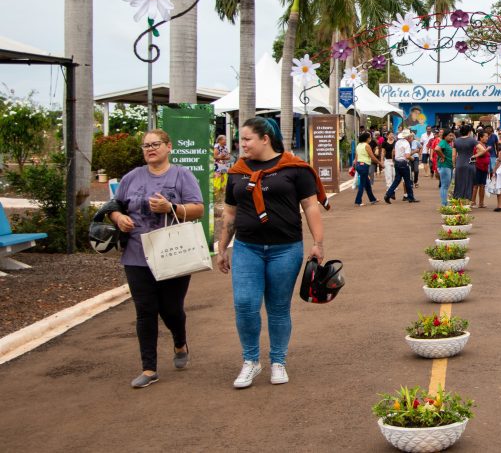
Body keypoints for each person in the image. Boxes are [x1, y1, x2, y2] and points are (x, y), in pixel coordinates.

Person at [217, 117, 327, 389]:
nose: (242, 145)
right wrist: (222, 245)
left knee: (278, 309)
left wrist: (318, 242)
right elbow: (230, 213)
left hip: (285, 249)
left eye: (247, 139)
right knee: (244, 304)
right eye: (240, 140)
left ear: (265, 138)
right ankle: (251, 361)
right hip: (246, 248)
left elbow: (311, 207)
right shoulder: (237, 171)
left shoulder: (294, 169)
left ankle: (278, 361)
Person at [110, 129, 204, 388]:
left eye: (155, 144)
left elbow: (198, 209)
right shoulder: (132, 177)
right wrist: (119, 218)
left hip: (171, 253)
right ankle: (149, 368)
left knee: (171, 309)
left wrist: (172, 208)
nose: (150, 149)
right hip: (137, 255)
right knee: (145, 311)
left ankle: (180, 342)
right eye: (145, 146)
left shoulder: (182, 176)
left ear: (168, 146)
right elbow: (114, 206)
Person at [384, 130, 419, 204]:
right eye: (410, 136)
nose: (411, 137)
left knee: (397, 180)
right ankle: (410, 197)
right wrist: (412, 159)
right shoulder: (406, 144)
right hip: (403, 163)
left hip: (397, 162)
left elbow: (394, 152)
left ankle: (388, 194)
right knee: (407, 181)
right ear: (408, 137)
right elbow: (407, 156)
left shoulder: (397, 142)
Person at [353, 132, 381, 207]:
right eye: (369, 137)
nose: (370, 139)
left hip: (359, 165)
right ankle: (358, 201)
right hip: (364, 166)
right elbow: (372, 156)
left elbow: (356, 156)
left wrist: (355, 165)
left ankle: (372, 199)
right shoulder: (367, 145)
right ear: (367, 138)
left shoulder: (359, 145)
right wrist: (380, 163)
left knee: (367, 184)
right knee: (362, 184)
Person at [452, 125, 477, 201]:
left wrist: (454, 165)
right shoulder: (472, 140)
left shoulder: (456, 141)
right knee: (469, 183)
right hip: (470, 163)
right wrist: (474, 156)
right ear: (469, 132)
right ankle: (467, 201)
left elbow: (453, 155)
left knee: (459, 182)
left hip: (459, 164)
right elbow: (482, 150)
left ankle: (458, 200)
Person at [435, 129, 456, 206]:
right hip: (444, 166)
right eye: (449, 136)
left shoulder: (448, 143)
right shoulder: (443, 142)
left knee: (447, 185)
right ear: (445, 136)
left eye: (452, 136)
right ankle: (444, 204)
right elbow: (437, 149)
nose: (451, 137)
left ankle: (445, 203)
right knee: (444, 186)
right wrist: (442, 156)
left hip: (448, 166)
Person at [471, 131, 491, 208]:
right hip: (477, 167)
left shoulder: (484, 145)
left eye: (487, 136)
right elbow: (477, 154)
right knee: (475, 186)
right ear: (481, 137)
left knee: (482, 185)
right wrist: (486, 150)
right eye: (485, 136)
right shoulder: (478, 145)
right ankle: (472, 202)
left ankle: (481, 203)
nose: (487, 138)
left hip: (484, 168)